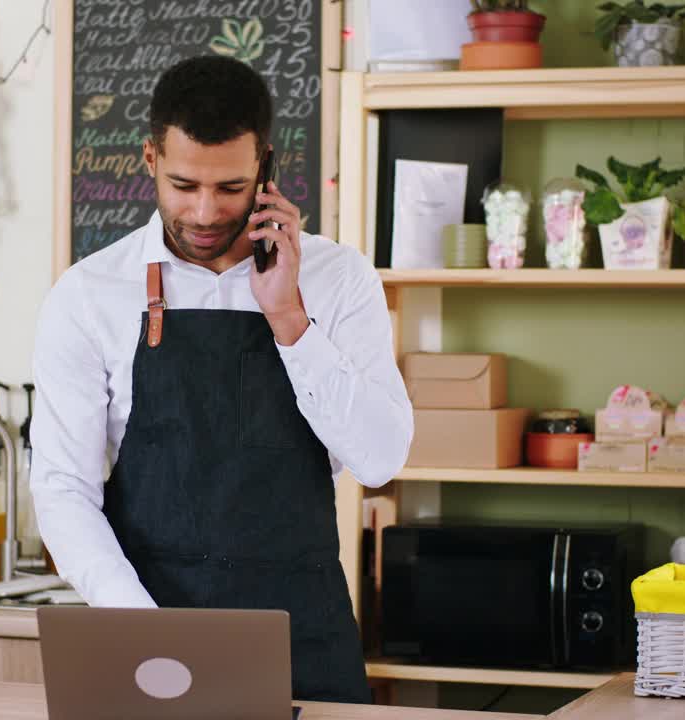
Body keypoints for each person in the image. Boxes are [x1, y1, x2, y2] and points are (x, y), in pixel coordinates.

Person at [30, 55, 412, 704]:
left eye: (230, 188)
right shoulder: (87, 295)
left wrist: (290, 316)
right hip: (146, 640)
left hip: (305, 645)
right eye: (183, 185)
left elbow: (379, 461)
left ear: (265, 165)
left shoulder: (340, 280)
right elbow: (63, 487)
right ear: (149, 157)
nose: (204, 213)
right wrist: (144, 633)